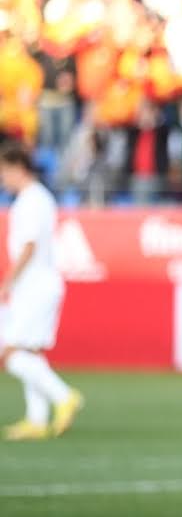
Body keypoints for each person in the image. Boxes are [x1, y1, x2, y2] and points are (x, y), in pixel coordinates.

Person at [1, 142, 82, 442]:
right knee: (31, 351)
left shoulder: (32, 201)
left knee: (11, 353)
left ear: (17, 169)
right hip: (36, 284)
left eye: (4, 173)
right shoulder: (34, 199)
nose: (2, 180)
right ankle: (36, 419)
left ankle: (63, 396)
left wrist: (9, 280)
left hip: (34, 285)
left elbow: (30, 245)